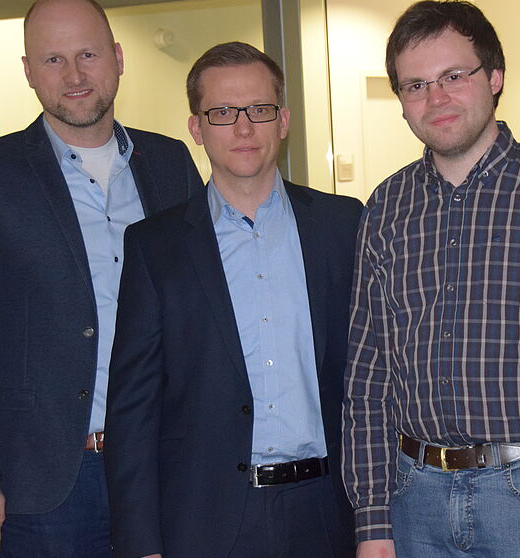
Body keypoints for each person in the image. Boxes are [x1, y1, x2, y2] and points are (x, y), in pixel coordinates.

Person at [0, 0, 202, 556]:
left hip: (162, 470)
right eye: (53, 59)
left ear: (117, 59)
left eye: (88, 55)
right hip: (36, 491)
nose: (74, 75)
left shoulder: (171, 164)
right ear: (28, 71)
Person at [342, 2, 520, 557]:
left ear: (496, 76)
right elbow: (368, 379)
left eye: (454, 76)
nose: (436, 98)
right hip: (415, 498)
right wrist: (372, 522)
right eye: (415, 85)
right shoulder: (386, 208)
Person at [103, 41, 361, 558]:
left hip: (328, 512)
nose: (243, 128)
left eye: (259, 110)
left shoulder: (344, 226)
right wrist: (141, 541)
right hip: (205, 519)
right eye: (221, 113)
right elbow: (133, 408)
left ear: (283, 120)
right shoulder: (156, 245)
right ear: (196, 128)